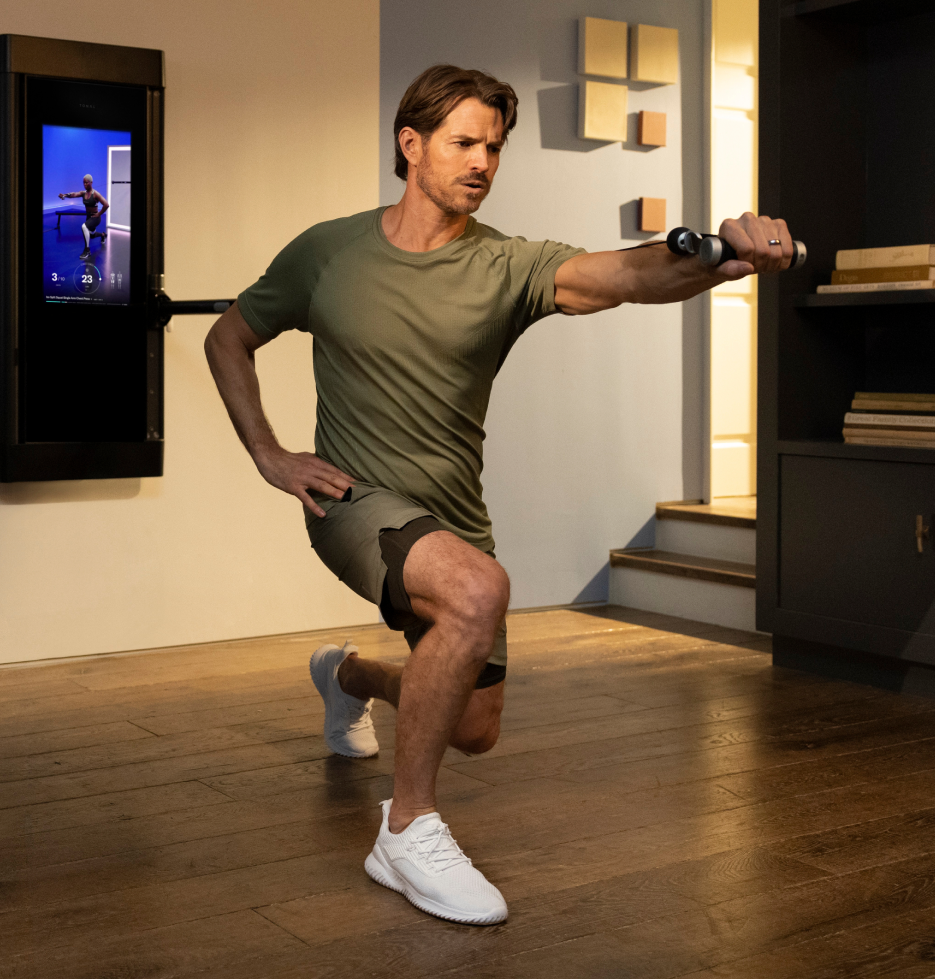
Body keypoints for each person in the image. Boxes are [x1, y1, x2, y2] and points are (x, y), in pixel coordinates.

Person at [204, 64, 795, 926]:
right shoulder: (325, 252)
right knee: (478, 590)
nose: (481, 161)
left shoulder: (508, 265)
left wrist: (726, 263)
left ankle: (349, 676)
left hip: (452, 517)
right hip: (352, 503)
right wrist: (268, 453)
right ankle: (405, 828)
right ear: (410, 146)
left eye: (493, 146)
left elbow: (628, 275)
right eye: (462, 142)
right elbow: (230, 336)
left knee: (474, 725)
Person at [59, 174, 109, 261]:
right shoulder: (83, 193)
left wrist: (99, 214)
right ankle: (103, 235)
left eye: (87, 183)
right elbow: (74, 194)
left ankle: (87, 251)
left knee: (84, 227)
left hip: (95, 218)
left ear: (91, 182)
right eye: (84, 183)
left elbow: (106, 204)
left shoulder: (96, 194)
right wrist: (64, 195)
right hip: (89, 217)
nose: (85, 184)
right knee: (92, 235)